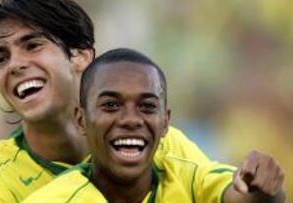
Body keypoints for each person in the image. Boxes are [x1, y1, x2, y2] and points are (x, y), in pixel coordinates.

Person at [0, 0, 284, 202]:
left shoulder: (165, 149)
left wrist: (260, 188)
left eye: (32, 45)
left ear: (80, 57)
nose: (15, 65)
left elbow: (235, 194)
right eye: (1, 58)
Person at [23, 48, 285, 203]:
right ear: (81, 120)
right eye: (111, 105)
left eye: (147, 106)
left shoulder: (188, 179)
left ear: (165, 122)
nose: (130, 120)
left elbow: (243, 196)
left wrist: (263, 187)